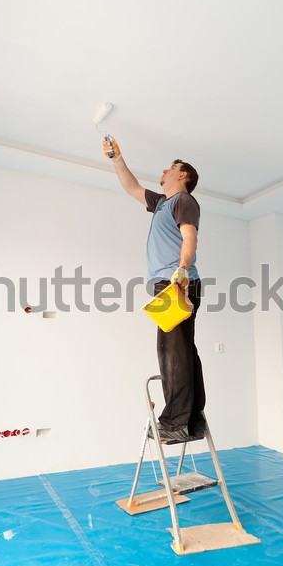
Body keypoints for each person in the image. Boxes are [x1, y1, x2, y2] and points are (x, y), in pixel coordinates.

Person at [103, 135, 206, 443]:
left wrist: (182, 272)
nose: (162, 172)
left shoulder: (184, 201)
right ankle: (194, 420)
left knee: (171, 352)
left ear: (182, 175)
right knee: (184, 351)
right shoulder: (162, 203)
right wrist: (117, 159)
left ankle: (175, 422)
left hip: (175, 282)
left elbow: (190, 239)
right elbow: (132, 188)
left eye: (169, 168)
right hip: (170, 283)